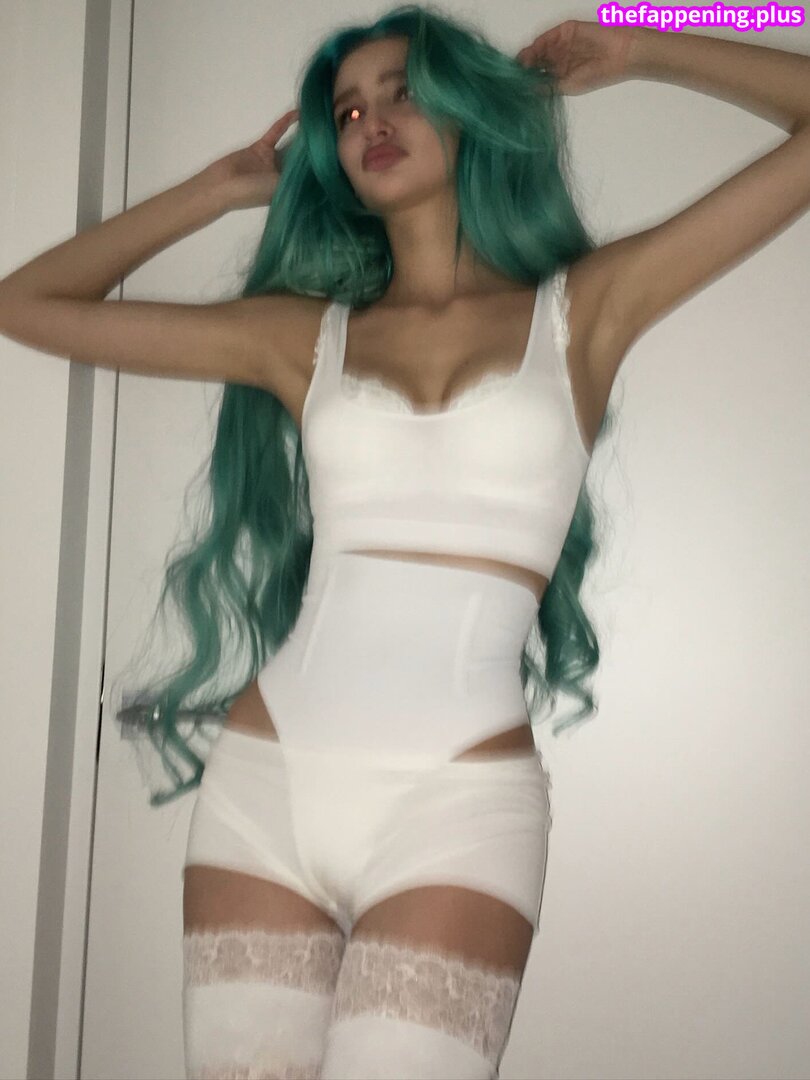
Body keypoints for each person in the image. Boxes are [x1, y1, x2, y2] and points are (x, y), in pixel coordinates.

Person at [2, 6, 808, 1078]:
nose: (372, 122)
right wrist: (219, 188)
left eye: (405, 93)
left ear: (470, 113)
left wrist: (644, 39)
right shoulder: (302, 338)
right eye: (347, 113)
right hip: (267, 790)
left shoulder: (584, 313)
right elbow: (24, 305)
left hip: (458, 807)